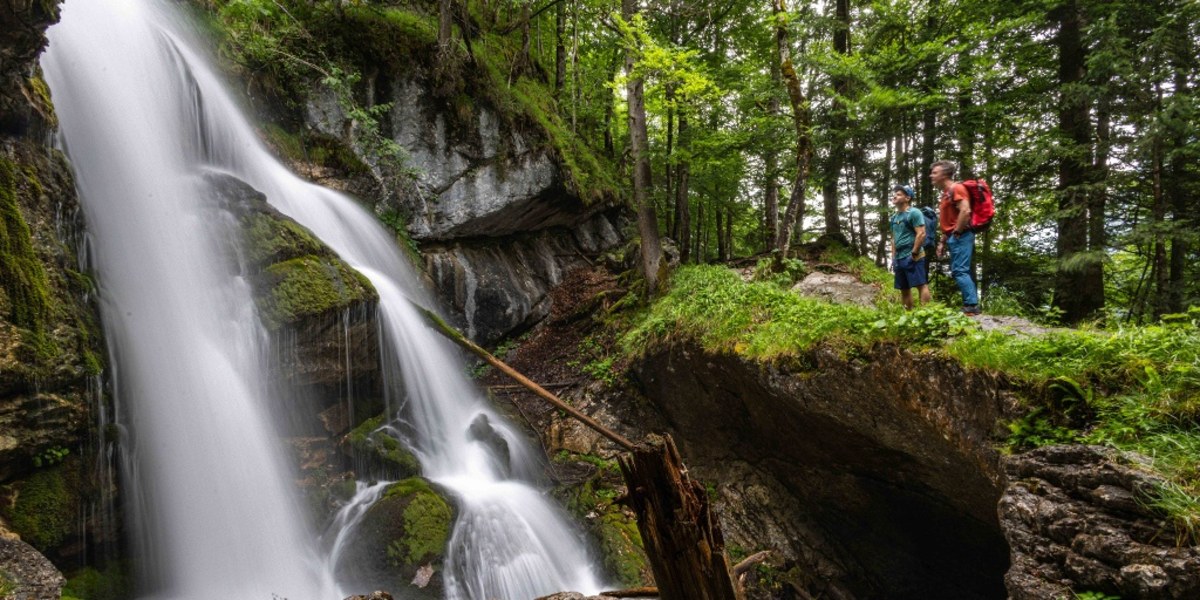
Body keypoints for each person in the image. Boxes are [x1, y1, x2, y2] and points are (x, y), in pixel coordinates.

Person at [931, 160, 980, 315]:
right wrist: (942, 242)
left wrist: (957, 232)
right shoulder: (946, 194)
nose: (931, 175)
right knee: (958, 270)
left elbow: (965, 211)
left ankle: (971, 306)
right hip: (954, 236)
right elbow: (949, 221)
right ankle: (970, 304)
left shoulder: (956, 188)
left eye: (934, 173)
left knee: (960, 270)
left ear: (944, 174)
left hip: (962, 235)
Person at [889, 184, 930, 310]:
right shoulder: (894, 217)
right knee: (904, 288)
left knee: (920, 284)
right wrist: (893, 257)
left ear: (907, 198)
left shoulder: (914, 213)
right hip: (900, 257)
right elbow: (894, 238)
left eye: (899, 194)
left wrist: (914, 252)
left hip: (913, 255)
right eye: (895, 193)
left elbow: (921, 233)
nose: (895, 195)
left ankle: (925, 314)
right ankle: (908, 316)